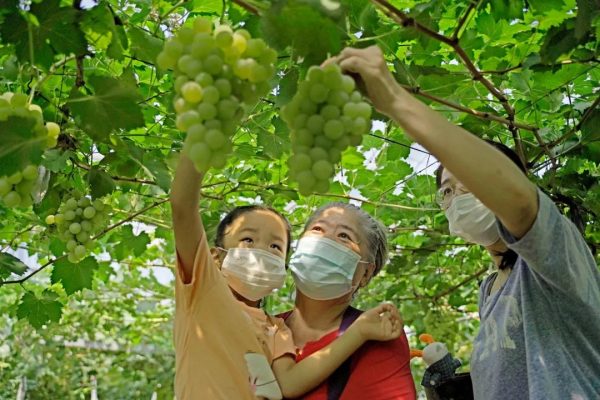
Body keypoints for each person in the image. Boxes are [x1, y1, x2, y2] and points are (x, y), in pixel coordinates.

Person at [328, 46, 600, 399]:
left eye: (470, 184)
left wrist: (395, 99)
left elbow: (519, 203)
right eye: (447, 191)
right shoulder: (490, 290)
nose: (457, 197)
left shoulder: (554, 257)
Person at [170, 153, 405, 400]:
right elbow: (182, 206)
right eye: (248, 239)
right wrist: (204, 132)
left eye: (275, 247)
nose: (261, 251)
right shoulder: (203, 293)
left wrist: (358, 331)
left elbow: (289, 384)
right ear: (216, 257)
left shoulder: (277, 328)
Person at [281, 202, 417, 399]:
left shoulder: (376, 336)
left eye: (344, 236)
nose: (325, 239)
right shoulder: (260, 326)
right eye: (317, 229)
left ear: (365, 273)